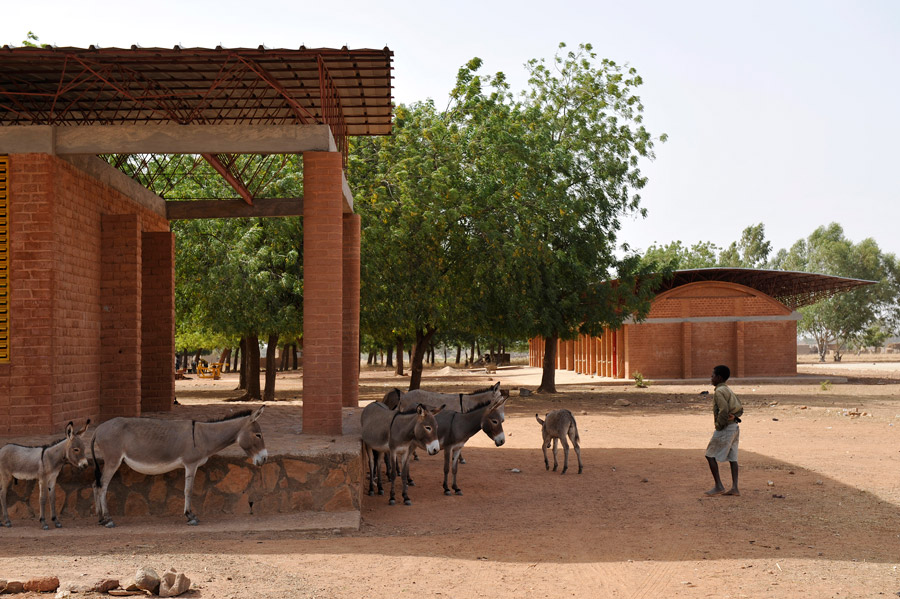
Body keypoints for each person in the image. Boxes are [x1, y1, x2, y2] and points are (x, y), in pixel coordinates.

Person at [704, 364, 743, 496]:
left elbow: (723, 410)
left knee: (709, 454)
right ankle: (735, 488)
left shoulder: (719, 391)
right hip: (735, 427)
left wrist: (719, 426)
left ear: (719, 377)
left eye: (713, 375)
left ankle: (719, 486)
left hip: (726, 428)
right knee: (733, 457)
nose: (711, 378)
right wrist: (736, 416)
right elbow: (740, 408)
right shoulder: (728, 390)